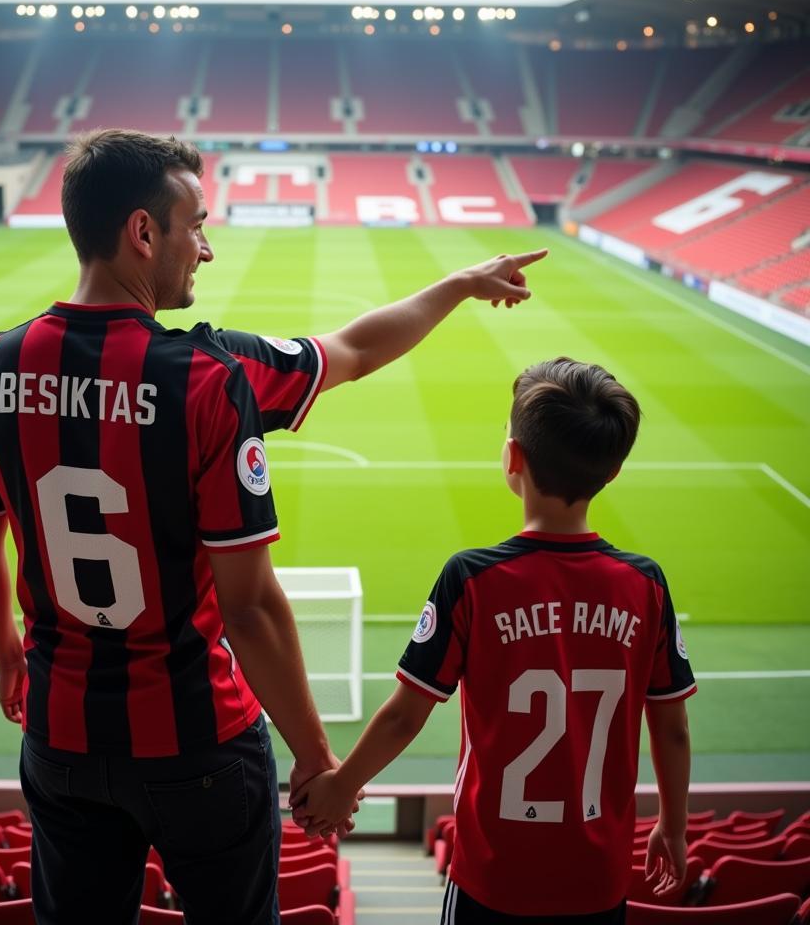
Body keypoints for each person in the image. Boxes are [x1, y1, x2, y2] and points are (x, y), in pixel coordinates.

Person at [0, 127, 547, 925]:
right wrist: (317, 755)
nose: (207, 248)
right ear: (143, 231)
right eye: (196, 226)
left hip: (61, 738)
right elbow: (252, 604)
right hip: (201, 748)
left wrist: (8, 656)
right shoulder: (209, 378)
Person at [292, 357, 696, 925]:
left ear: (513, 459)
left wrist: (341, 787)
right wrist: (672, 827)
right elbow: (672, 728)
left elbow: (407, 715)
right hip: (598, 880)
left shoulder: (473, 579)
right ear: (612, 473)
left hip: (493, 877)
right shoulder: (645, 585)